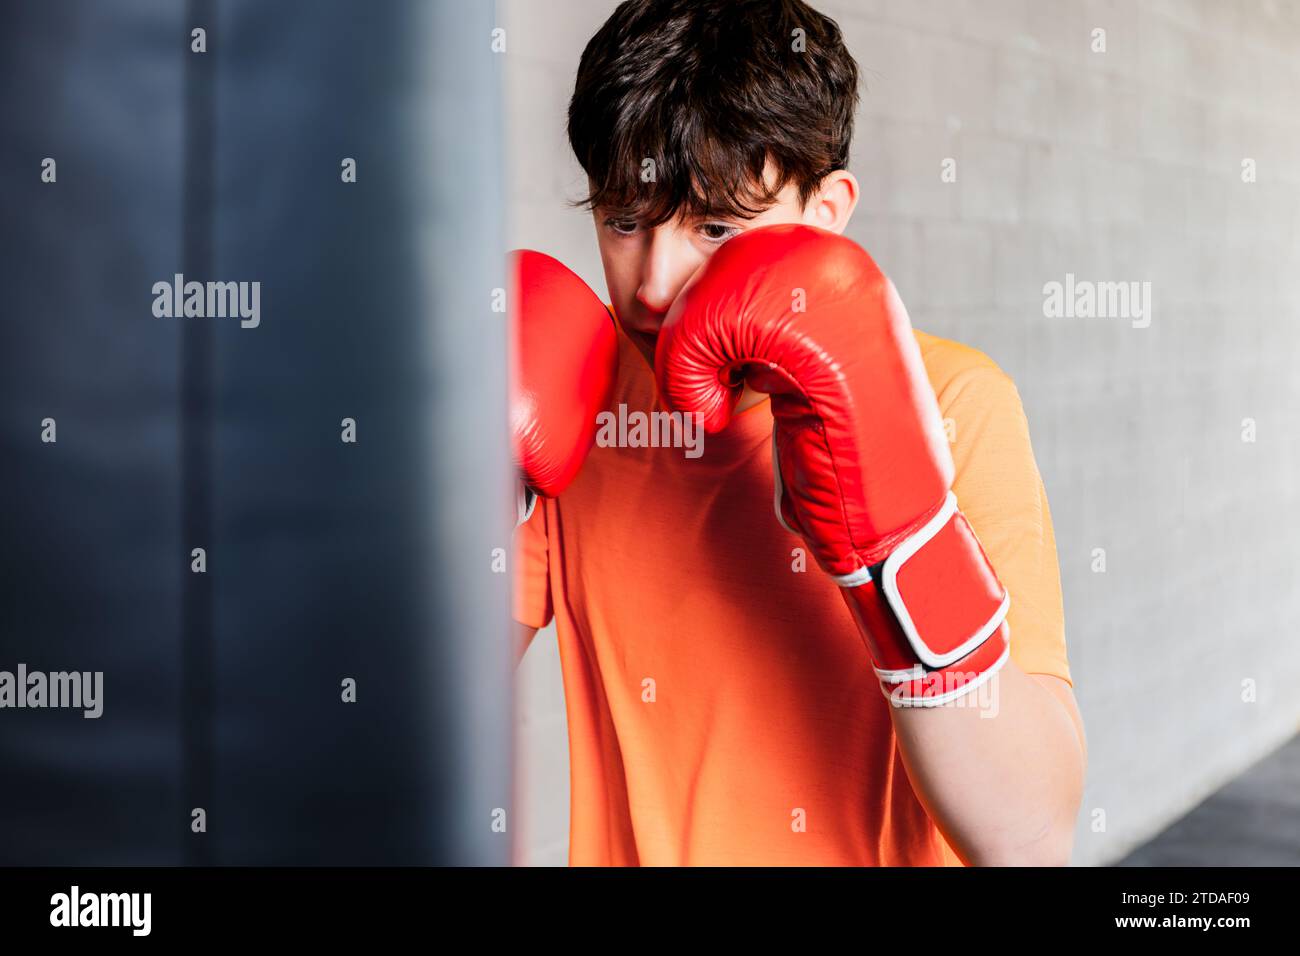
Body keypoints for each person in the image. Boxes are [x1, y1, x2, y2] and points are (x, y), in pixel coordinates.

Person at [511, 0, 1086, 866]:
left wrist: (898, 545)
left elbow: (1031, 838)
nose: (655, 286)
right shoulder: (582, 403)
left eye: (714, 226)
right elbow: (403, 722)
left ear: (828, 213)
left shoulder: (957, 403)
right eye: (624, 221)